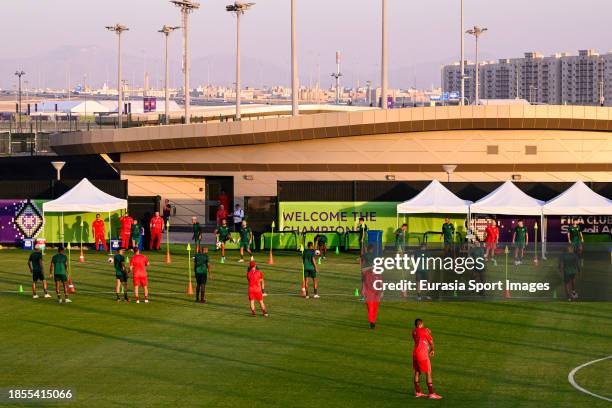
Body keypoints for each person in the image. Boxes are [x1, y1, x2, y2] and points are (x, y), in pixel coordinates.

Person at [412, 318, 442, 399]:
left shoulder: (413, 331)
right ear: (421, 324)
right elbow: (431, 341)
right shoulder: (424, 330)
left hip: (415, 354)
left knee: (417, 372)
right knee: (428, 372)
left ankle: (418, 392)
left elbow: (420, 334)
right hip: (422, 354)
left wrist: (426, 330)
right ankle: (431, 393)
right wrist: (432, 349)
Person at [362, 244, 382, 328]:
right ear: (372, 249)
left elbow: (361, 261)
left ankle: (372, 321)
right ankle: (372, 321)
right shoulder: (374, 256)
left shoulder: (365, 255)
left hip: (365, 271)